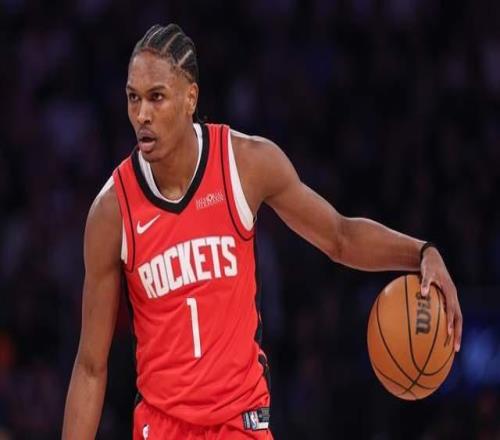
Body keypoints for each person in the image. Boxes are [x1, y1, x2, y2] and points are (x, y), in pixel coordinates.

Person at [62, 23, 463, 440]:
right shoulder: (112, 211)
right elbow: (90, 366)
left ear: (190, 97)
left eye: (156, 97)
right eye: (133, 98)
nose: (142, 114)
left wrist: (422, 252)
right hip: (163, 427)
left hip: (241, 423)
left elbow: (339, 236)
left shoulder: (245, 164)